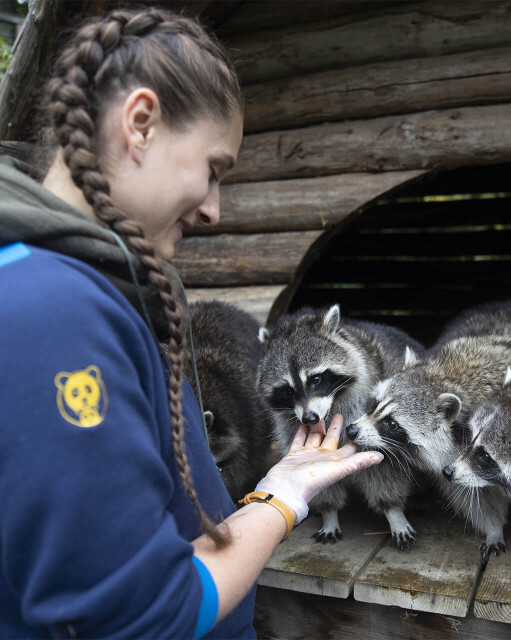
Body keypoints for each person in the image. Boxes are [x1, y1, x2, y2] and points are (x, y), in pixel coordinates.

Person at [0, 8, 383, 639]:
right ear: (141, 124)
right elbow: (142, 618)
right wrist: (279, 503)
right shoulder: (53, 311)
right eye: (214, 169)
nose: (214, 209)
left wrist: (275, 485)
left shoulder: (80, 289)